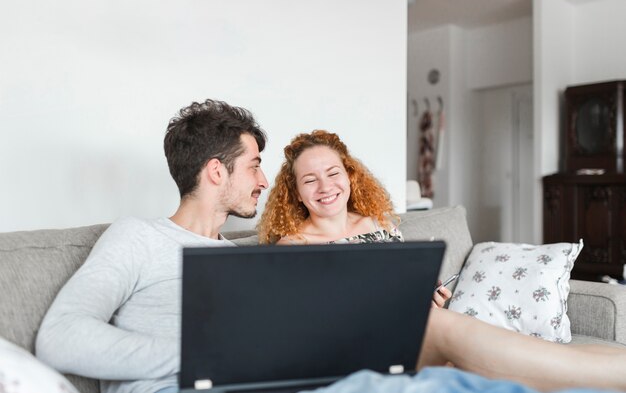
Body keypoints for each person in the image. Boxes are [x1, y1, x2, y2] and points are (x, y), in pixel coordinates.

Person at [257, 129, 626, 392]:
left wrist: (421, 291)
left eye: (333, 173)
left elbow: (398, 285)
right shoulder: (293, 245)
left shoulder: (379, 224)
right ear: (297, 193)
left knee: (447, 329)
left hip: (411, 330)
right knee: (441, 327)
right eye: (310, 180)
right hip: (356, 346)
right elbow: (304, 324)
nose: (325, 186)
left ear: (349, 176)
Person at [36, 99, 269, 393]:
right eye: (255, 166)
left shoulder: (242, 260)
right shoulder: (138, 236)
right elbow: (60, 337)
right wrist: (200, 356)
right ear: (217, 171)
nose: (264, 180)